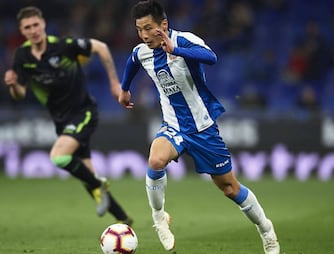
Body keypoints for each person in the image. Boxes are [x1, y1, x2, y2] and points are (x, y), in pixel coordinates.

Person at [118, 1, 280, 253]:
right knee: (155, 160)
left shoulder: (184, 40)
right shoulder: (143, 51)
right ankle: (159, 217)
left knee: (230, 188)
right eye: (139, 29)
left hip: (203, 128)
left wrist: (176, 50)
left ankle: (266, 230)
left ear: (163, 25)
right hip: (173, 125)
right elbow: (132, 61)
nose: (144, 35)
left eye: (148, 28)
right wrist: (125, 89)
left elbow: (211, 57)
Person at [4, 6, 132, 225]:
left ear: (43, 24)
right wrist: (13, 85)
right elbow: (20, 94)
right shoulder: (22, 56)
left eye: (36, 25)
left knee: (59, 156)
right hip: (61, 121)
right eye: (28, 27)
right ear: (21, 30)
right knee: (87, 174)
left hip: (83, 112)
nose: (33, 30)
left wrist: (114, 83)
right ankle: (123, 219)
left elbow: (100, 47)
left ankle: (98, 185)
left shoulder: (63, 46)